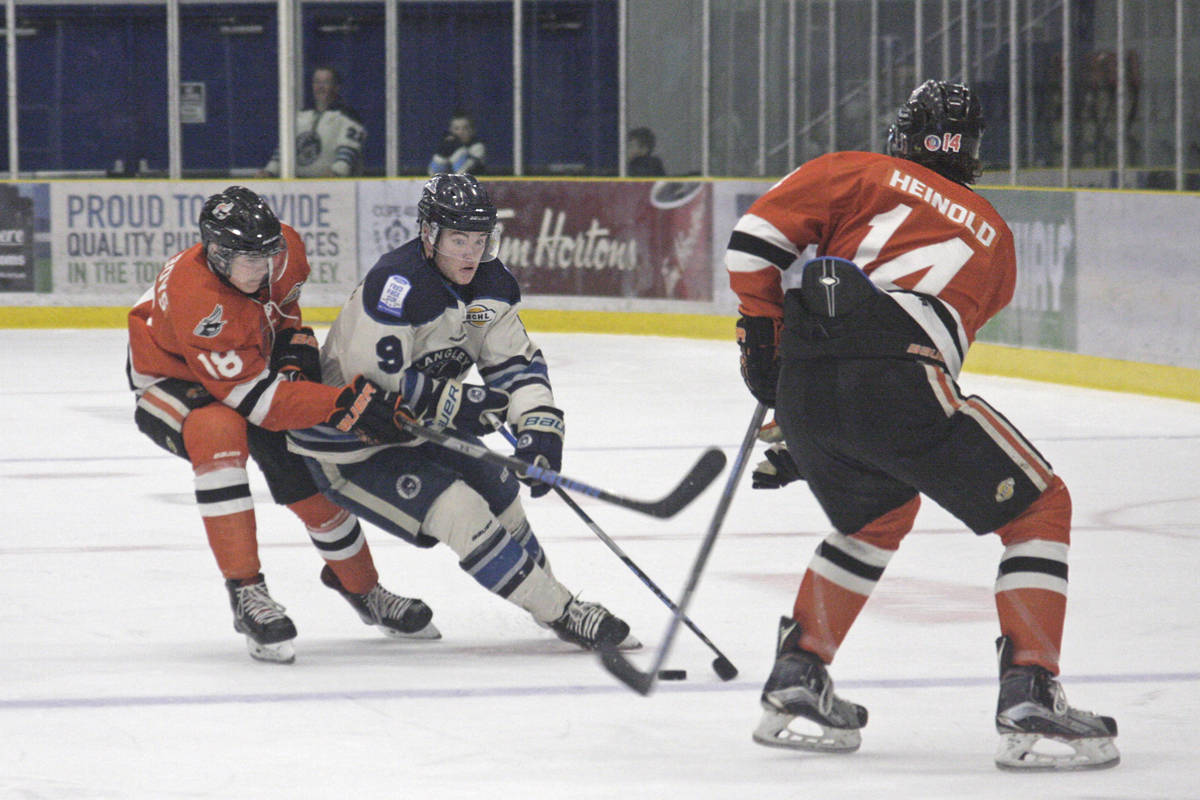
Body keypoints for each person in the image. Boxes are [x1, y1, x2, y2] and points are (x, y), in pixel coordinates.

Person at [725, 80, 1119, 770]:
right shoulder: (995, 237)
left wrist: (768, 362)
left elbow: (752, 246)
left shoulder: (854, 170)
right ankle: (1030, 687)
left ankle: (798, 673)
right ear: (973, 154)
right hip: (900, 371)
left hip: (809, 376)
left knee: (874, 517)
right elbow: (922, 355)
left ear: (902, 135)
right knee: (1040, 509)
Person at [287, 173, 639, 653]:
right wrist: (460, 402)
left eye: (479, 239)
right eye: (459, 240)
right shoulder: (398, 286)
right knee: (460, 509)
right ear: (429, 234)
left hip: (417, 431)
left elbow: (513, 364)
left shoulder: (486, 291)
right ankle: (561, 610)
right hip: (349, 444)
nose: (472, 253)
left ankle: (555, 605)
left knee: (501, 492)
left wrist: (538, 427)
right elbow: (372, 386)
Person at [126, 186, 437, 663]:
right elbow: (259, 403)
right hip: (169, 377)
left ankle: (364, 590)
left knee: (304, 476)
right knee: (218, 432)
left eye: (266, 256)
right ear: (216, 253)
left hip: (245, 370)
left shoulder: (285, 251)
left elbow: (283, 313)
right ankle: (247, 593)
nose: (262, 269)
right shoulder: (198, 303)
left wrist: (294, 349)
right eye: (247, 261)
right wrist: (346, 404)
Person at [257, 65, 366, 178]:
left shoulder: (347, 117)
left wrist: (337, 172)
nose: (320, 87)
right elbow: (283, 151)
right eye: (317, 82)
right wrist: (269, 171)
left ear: (336, 87)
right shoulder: (300, 116)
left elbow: (347, 151)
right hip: (297, 185)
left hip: (334, 186)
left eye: (326, 82)